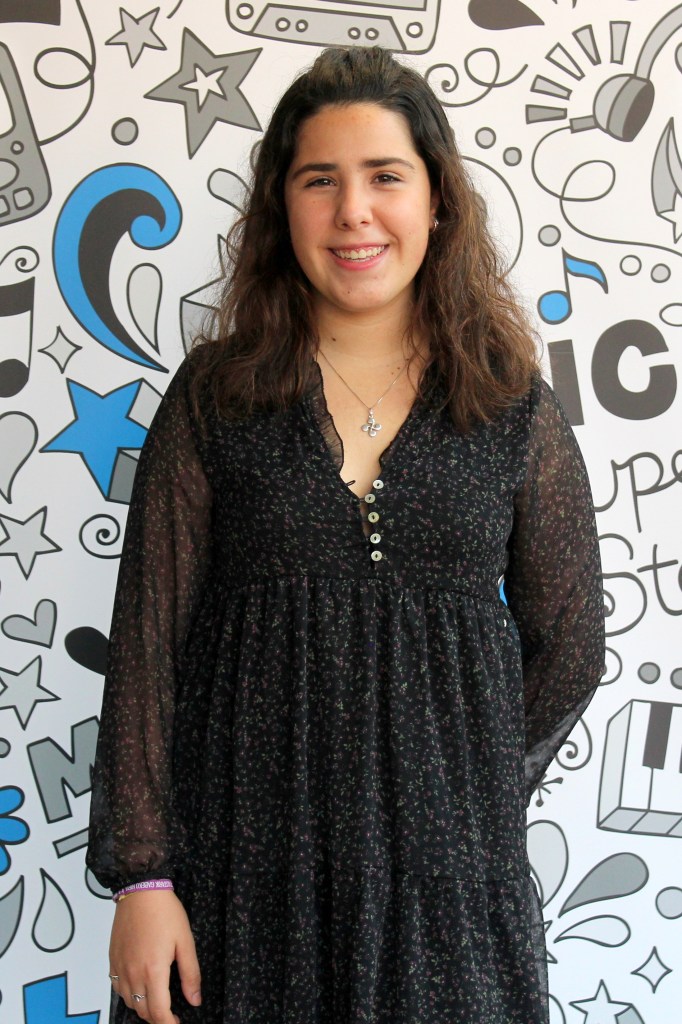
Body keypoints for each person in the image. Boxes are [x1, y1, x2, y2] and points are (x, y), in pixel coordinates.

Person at [86, 44, 605, 1024]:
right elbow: (148, 646)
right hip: (240, 880)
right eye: (319, 180)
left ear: (437, 201)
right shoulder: (214, 397)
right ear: (282, 207)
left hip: (445, 897)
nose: (353, 211)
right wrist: (143, 879)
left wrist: (459, 789)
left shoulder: (510, 408)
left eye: (385, 177)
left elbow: (572, 643)